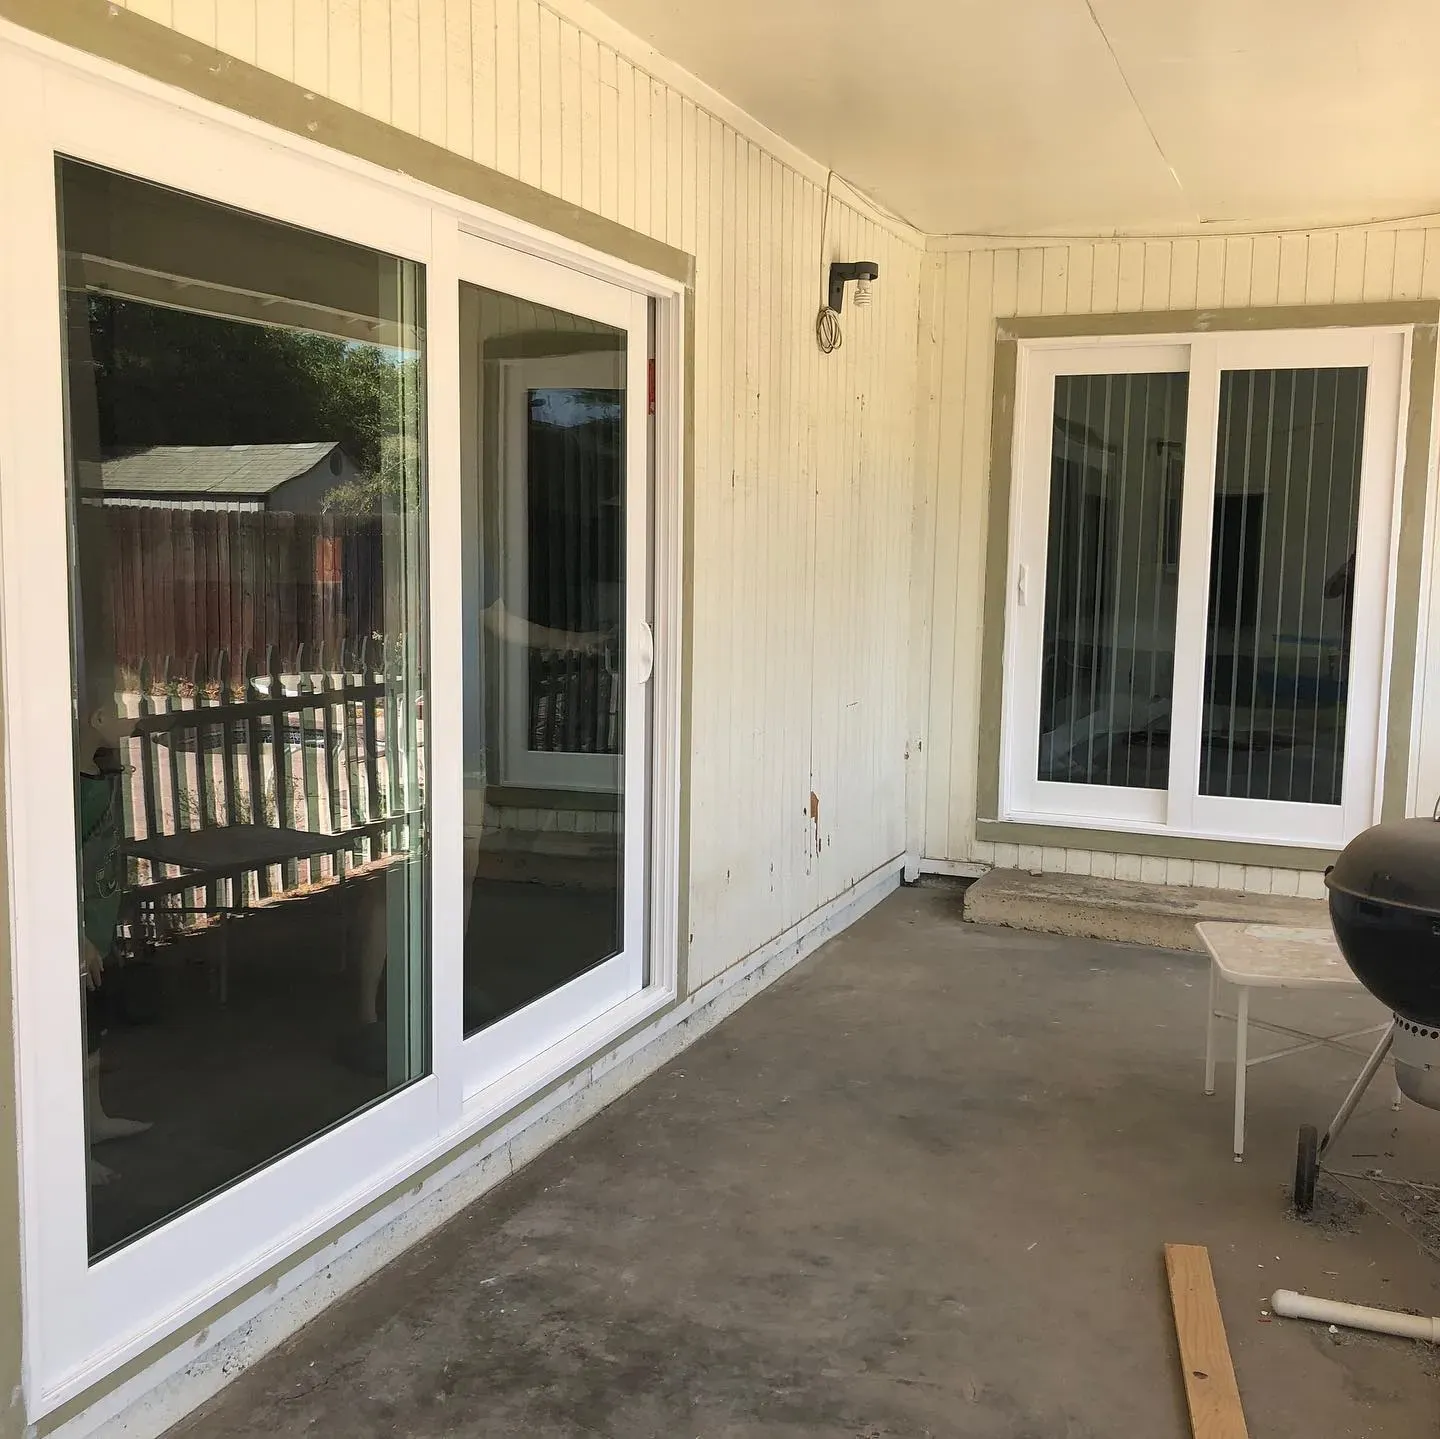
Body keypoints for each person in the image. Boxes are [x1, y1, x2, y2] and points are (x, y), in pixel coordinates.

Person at [77, 702, 151, 1183]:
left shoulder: (98, 772)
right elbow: (57, 864)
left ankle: (96, 1120)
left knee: (95, 1037)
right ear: (95, 721)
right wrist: (77, 935)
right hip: (80, 935)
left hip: (100, 928)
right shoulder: (69, 786)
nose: (131, 723)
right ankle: (75, 1155)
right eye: (119, 714)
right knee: (75, 1046)